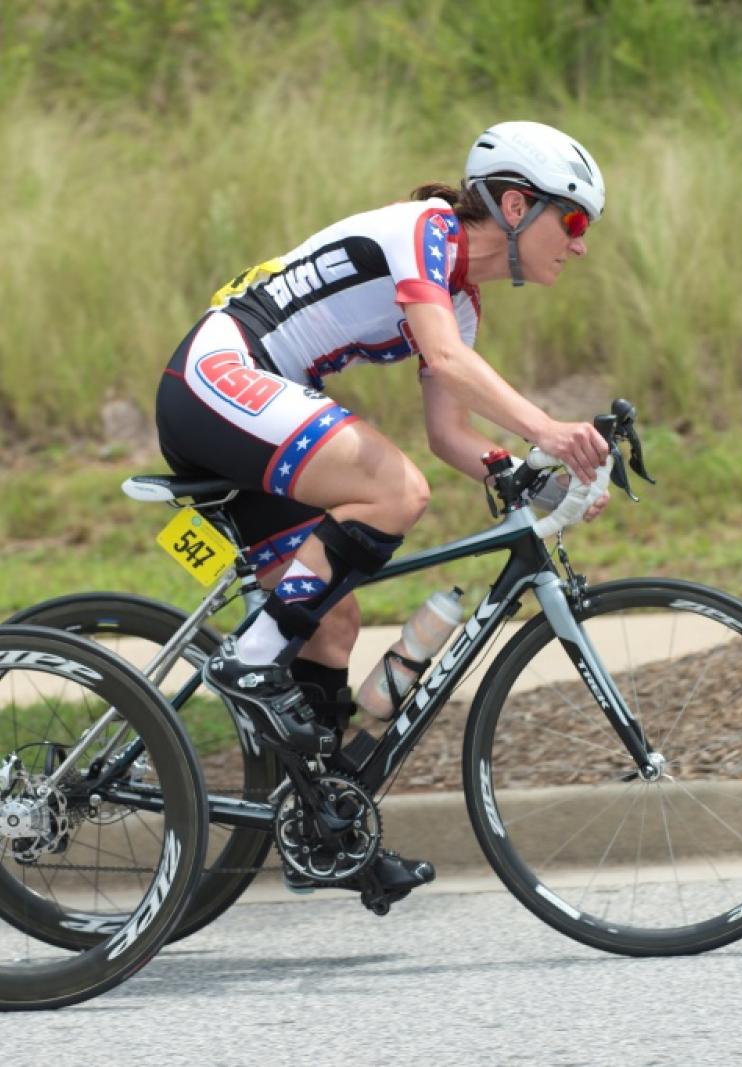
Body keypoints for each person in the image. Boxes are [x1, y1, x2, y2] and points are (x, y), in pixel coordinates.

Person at [155, 120, 610, 898]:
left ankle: (330, 835)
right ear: (512, 204)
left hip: (257, 398)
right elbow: (443, 361)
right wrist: (547, 428)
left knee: (333, 619)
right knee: (396, 493)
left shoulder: (461, 304)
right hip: (223, 371)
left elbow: (448, 432)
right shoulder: (423, 234)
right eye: (571, 222)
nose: (580, 245)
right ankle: (248, 658)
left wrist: (526, 474)